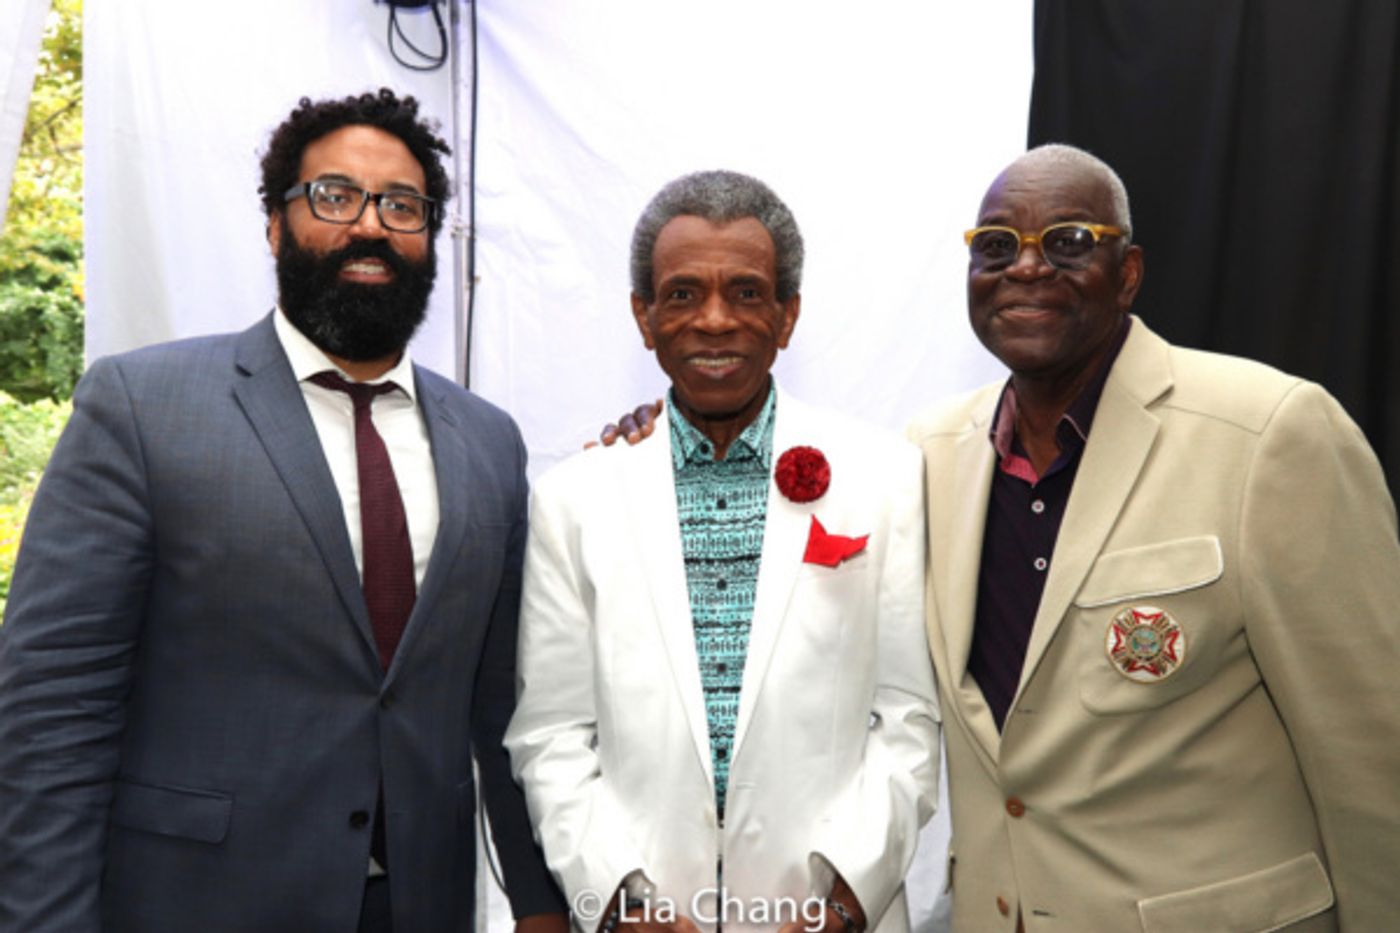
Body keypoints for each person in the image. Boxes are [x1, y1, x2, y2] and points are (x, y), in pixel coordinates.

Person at [0, 89, 565, 933]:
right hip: (196, 904)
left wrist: (538, 901)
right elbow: (53, 707)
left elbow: (501, 706)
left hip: (418, 906)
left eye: (401, 205)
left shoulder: (490, 442)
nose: (370, 225)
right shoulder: (143, 405)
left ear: (430, 237)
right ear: (276, 224)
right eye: (334, 196)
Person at [906, 143, 1400, 931]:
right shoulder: (923, 457)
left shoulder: (1270, 433)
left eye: (1068, 240)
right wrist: (646, 443)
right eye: (996, 246)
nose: (1025, 268)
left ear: (1128, 273)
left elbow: (1375, 758)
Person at [504, 171, 940, 933]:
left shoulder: (886, 477)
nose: (713, 320)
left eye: (745, 292)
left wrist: (845, 899)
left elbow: (908, 714)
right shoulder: (572, 497)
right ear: (643, 317)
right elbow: (550, 732)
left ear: (787, 315)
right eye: (681, 294)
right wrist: (617, 898)